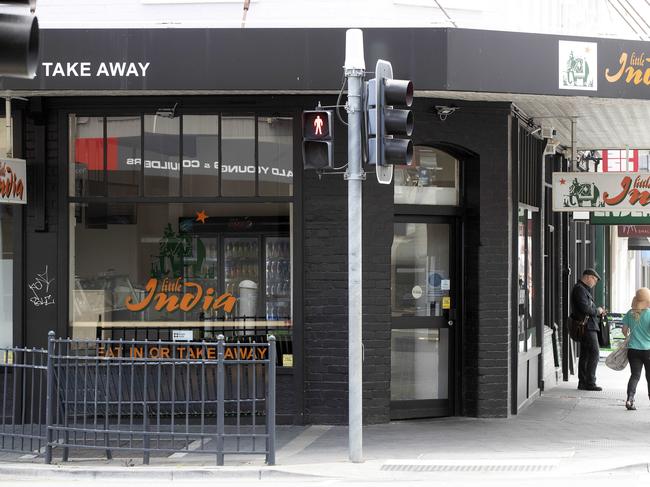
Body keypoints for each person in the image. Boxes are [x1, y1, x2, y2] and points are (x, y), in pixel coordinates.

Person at [571, 268, 606, 391]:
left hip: (588, 326)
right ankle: (590, 382)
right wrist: (598, 311)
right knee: (594, 353)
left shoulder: (583, 289)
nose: (595, 283)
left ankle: (583, 382)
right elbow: (585, 308)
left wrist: (598, 312)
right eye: (594, 280)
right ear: (588, 277)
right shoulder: (579, 289)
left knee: (586, 354)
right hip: (587, 327)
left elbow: (587, 308)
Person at [621, 287, 650, 410]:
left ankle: (629, 399)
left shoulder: (630, 313)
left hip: (633, 350)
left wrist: (631, 337)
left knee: (635, 375)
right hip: (648, 350)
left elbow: (624, 331)